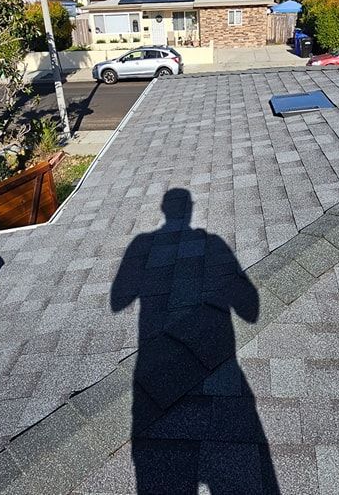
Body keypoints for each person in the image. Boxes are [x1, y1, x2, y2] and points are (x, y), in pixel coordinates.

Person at [111, 188, 279, 493]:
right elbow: (250, 310)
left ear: (163, 210)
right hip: (224, 370)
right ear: (189, 209)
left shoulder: (142, 243)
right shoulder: (212, 243)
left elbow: (116, 301)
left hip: (152, 370)